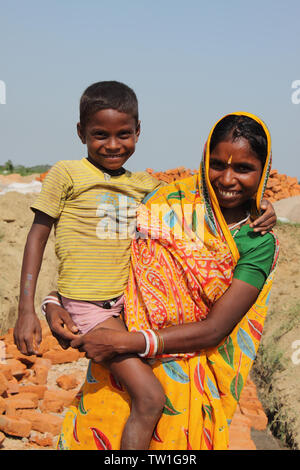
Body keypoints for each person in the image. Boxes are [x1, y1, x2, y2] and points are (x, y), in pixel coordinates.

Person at [45, 111, 279, 450]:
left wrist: (122, 344)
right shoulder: (167, 205)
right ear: (204, 161)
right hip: (123, 371)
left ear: (264, 171)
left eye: (243, 169)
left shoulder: (257, 243)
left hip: (186, 380)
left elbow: (215, 330)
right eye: (217, 164)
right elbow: (103, 263)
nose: (227, 179)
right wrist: (54, 300)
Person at [13, 81, 173, 450]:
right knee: (149, 397)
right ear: (81, 132)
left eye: (124, 135)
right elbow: (36, 237)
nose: (113, 145)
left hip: (128, 304)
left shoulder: (144, 185)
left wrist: (260, 207)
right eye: (100, 134)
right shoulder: (67, 174)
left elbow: (197, 205)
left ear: (138, 132)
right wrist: (28, 309)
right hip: (89, 307)